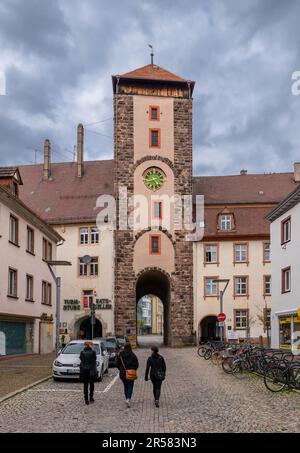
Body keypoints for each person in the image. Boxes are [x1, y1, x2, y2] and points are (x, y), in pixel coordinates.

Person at [117, 343, 139, 408]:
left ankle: (127, 398)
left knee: (125, 386)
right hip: (131, 373)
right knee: (130, 386)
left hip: (123, 373)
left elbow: (117, 363)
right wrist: (133, 369)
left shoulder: (120, 354)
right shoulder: (133, 355)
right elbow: (137, 364)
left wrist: (120, 369)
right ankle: (128, 399)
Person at [80, 341, 97, 405]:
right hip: (91, 370)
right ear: (90, 346)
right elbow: (94, 360)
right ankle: (91, 397)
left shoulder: (82, 352)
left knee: (85, 385)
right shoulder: (93, 352)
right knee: (91, 384)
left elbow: (81, 360)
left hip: (84, 370)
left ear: (85, 346)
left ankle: (86, 399)